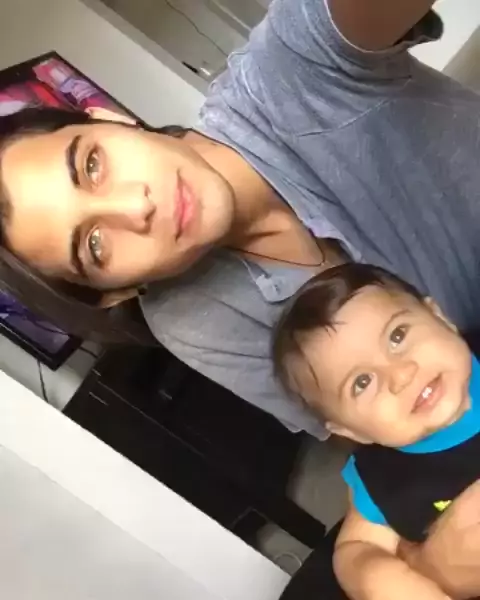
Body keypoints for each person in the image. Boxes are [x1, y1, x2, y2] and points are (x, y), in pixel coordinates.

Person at [1, 0, 480, 441]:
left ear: (109, 119)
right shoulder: (189, 321)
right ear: (116, 292)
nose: (135, 207)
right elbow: (368, 427)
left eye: (91, 165)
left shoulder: (285, 70)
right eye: (95, 244)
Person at [273, 262, 480, 599]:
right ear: (351, 430)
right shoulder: (382, 476)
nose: (402, 375)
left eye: (398, 336)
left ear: (439, 318)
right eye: (362, 382)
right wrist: (380, 578)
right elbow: (355, 550)